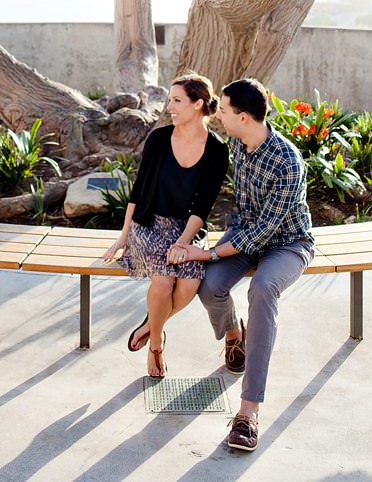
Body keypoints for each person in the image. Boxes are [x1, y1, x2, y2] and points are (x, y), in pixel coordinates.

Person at [166, 77, 314, 454]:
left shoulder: (287, 163)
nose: (220, 117)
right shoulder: (238, 142)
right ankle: (234, 337)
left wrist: (212, 252)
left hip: (288, 243)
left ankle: (248, 412)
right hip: (246, 236)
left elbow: (268, 230)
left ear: (245, 117)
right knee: (208, 283)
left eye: (226, 112)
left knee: (261, 289)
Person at [101, 73, 230, 379]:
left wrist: (184, 242)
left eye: (177, 101)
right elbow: (138, 191)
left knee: (188, 284)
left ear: (198, 105)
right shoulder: (159, 140)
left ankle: (150, 324)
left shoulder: (217, 150)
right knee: (162, 281)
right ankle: (156, 344)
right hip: (148, 224)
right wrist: (122, 238)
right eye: (170, 100)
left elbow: (204, 206)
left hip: (188, 228)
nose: (169, 107)